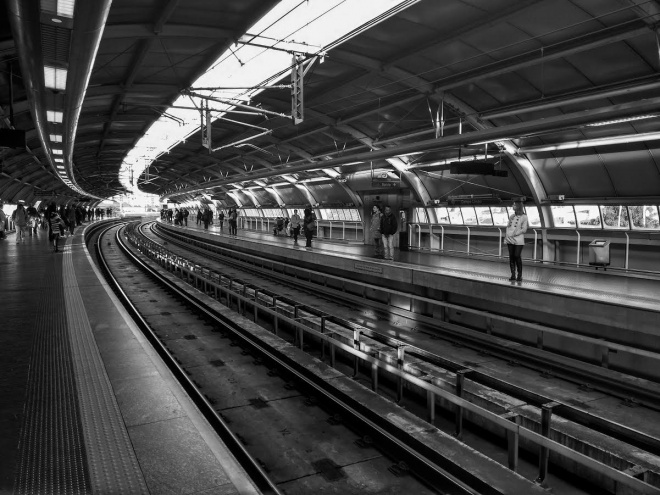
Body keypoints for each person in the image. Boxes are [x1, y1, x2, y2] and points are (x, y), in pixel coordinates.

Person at [505, 201, 528, 281]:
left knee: (517, 255)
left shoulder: (524, 217)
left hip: (518, 239)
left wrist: (516, 233)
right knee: (511, 256)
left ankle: (519, 275)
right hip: (509, 238)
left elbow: (524, 229)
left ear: (518, 206)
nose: (513, 206)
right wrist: (508, 234)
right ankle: (513, 275)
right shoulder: (511, 216)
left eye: (514, 205)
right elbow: (508, 226)